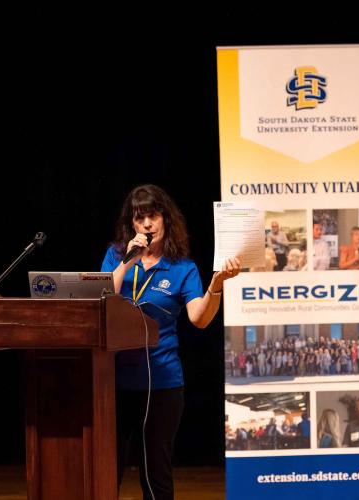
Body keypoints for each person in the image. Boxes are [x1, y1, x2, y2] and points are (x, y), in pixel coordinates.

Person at [101, 184, 240, 500]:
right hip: (113, 382)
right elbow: (102, 296)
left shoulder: (183, 268)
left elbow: (199, 319)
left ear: (165, 219)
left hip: (161, 383)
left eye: (152, 216)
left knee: (155, 474)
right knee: (107, 471)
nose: (147, 225)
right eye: (139, 219)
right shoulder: (116, 256)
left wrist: (216, 286)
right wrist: (128, 261)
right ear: (131, 225)